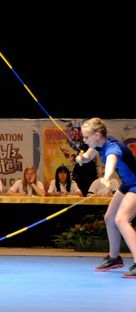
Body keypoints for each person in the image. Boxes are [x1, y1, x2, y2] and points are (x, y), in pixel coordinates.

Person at [76, 117, 136, 278]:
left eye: (86, 137)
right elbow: (87, 156)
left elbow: (111, 161)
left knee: (121, 219)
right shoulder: (98, 144)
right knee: (110, 217)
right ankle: (114, 258)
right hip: (128, 185)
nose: (84, 140)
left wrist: (107, 178)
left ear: (96, 135)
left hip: (135, 185)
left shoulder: (112, 148)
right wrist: (81, 159)